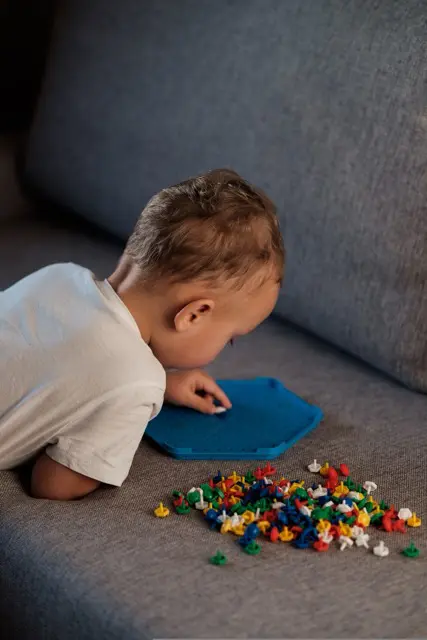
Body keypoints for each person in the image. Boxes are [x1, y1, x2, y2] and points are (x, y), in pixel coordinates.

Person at [0, 169, 284, 500]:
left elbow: (55, 362)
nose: (229, 346)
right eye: (232, 337)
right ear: (194, 314)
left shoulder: (61, 275)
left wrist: (164, 385)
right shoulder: (137, 383)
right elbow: (51, 485)